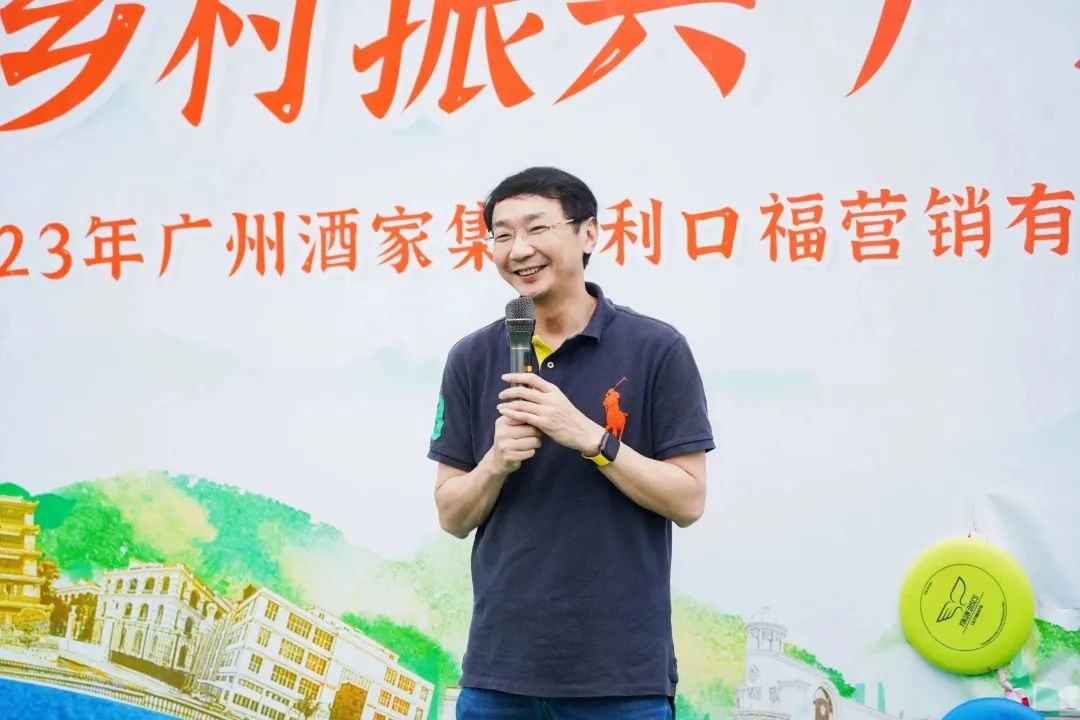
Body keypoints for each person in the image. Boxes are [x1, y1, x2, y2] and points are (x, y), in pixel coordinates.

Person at [429, 166, 714, 720]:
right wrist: (494, 463)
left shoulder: (656, 348)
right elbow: (451, 515)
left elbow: (689, 499)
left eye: (537, 228)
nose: (519, 249)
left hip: (620, 680)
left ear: (589, 234)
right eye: (503, 234)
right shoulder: (472, 357)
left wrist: (589, 437)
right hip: (498, 675)